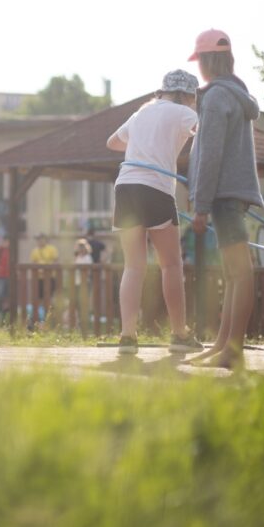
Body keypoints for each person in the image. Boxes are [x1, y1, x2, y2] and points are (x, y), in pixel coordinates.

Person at [107, 69, 202, 355]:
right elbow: (207, 135)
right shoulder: (183, 113)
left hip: (125, 187)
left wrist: (143, 144)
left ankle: (127, 336)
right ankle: (179, 333)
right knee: (171, 265)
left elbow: (112, 142)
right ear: (187, 95)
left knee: (133, 266)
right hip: (156, 188)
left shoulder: (141, 113)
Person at [186, 28, 264, 370]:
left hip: (223, 195)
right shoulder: (235, 94)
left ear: (205, 61)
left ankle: (233, 350)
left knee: (240, 272)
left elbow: (212, 155)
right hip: (234, 194)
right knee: (234, 274)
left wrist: (200, 206)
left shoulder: (217, 98)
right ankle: (222, 344)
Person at [29, 233, 60, 325]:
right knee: (39, 298)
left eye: (41, 239)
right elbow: (33, 263)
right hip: (39, 278)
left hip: (50, 278)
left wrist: (46, 268)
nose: (40, 241)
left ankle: (51, 317)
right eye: (38, 240)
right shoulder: (35, 251)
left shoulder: (51, 249)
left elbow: (55, 261)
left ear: (45, 240)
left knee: (49, 298)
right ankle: (40, 318)